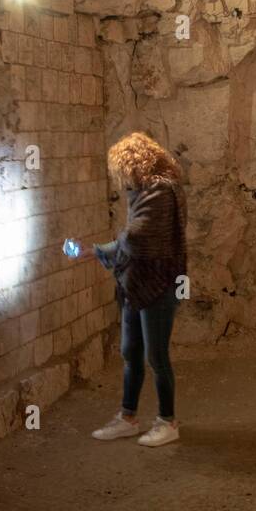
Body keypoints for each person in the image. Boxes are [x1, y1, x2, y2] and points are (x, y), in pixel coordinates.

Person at [77, 132, 187, 447]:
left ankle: (168, 422)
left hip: (159, 284)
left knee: (157, 356)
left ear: (132, 163)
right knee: (131, 353)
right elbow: (131, 241)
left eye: (121, 169)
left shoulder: (162, 193)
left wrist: (104, 249)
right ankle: (128, 418)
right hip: (134, 284)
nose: (120, 177)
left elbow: (138, 238)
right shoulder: (142, 192)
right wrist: (96, 251)